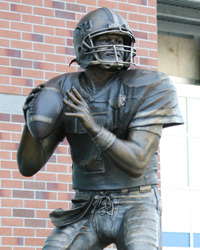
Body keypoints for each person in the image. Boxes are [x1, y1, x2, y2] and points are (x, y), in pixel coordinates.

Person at [17, 7, 183, 250]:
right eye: (106, 40)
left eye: (120, 40)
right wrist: (30, 123)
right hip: (87, 204)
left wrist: (93, 127)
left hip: (136, 200)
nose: (115, 46)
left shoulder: (150, 85)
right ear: (84, 45)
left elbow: (137, 161)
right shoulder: (62, 89)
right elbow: (28, 166)